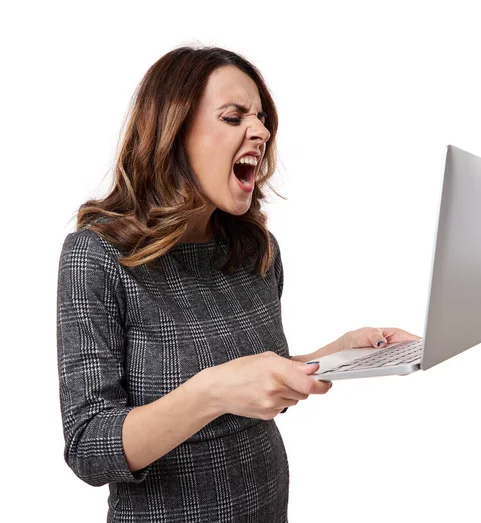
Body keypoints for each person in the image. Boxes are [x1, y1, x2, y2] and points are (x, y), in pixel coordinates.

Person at [56, 44, 419, 523]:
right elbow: (89, 447)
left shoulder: (255, 250)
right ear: (172, 132)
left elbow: (258, 385)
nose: (261, 131)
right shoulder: (97, 256)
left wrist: (340, 355)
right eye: (234, 117)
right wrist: (210, 392)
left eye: (262, 119)